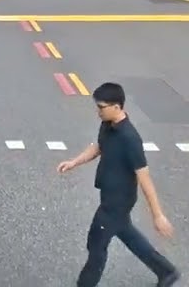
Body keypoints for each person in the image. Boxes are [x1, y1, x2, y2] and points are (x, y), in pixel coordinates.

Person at [58, 82, 180, 287]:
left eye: (101, 107)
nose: (98, 112)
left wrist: (157, 215)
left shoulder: (130, 138)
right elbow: (98, 147)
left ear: (117, 106)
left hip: (117, 203)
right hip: (108, 196)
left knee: (96, 245)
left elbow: (144, 177)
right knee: (127, 233)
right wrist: (74, 162)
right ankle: (166, 271)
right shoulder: (108, 125)